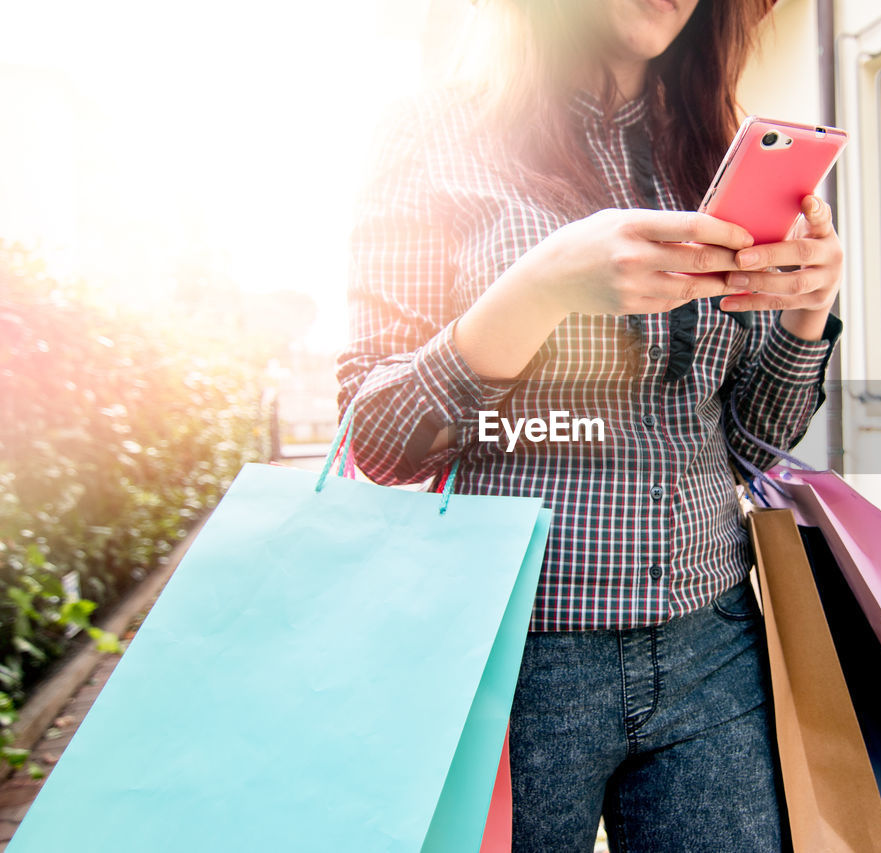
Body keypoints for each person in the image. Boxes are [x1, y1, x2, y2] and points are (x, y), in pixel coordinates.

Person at [336, 0, 845, 849]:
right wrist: (540, 286)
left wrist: (808, 312)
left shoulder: (712, 154)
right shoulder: (428, 135)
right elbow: (379, 441)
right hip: (509, 661)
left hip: (712, 647)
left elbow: (748, 446)